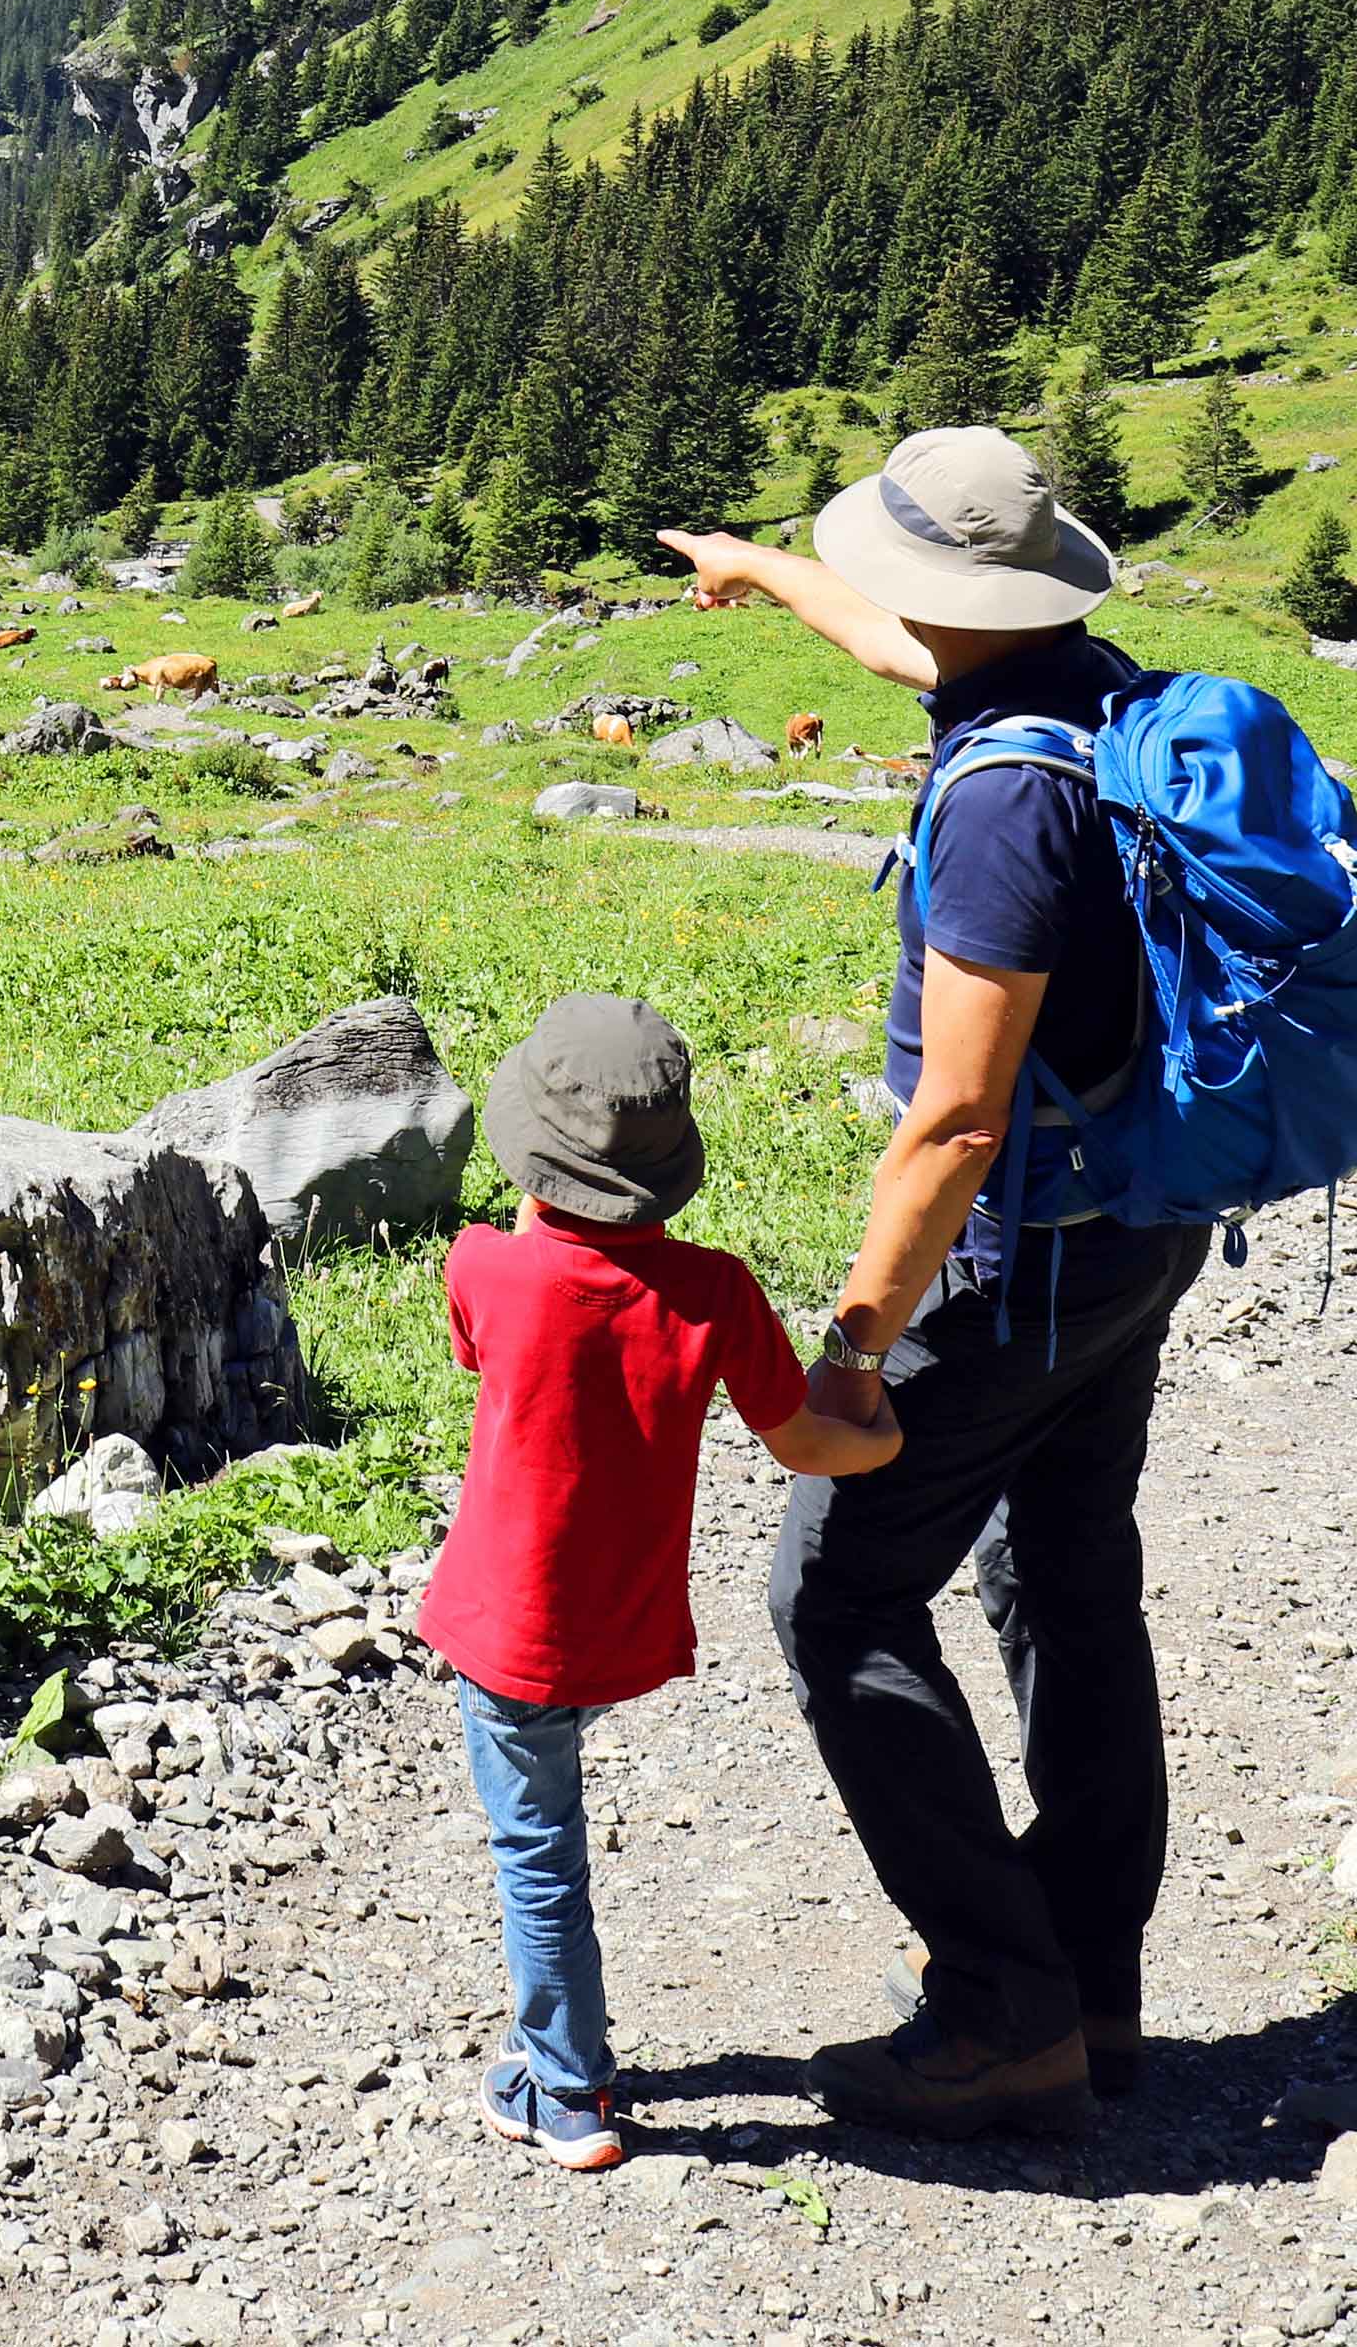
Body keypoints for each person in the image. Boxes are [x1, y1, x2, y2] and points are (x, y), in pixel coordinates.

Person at [658, 421, 1196, 2150]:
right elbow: (902, 636)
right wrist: (760, 571)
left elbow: (956, 1118)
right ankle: (1091, 1985)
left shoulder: (999, 809)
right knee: (1066, 1570)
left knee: (836, 1593)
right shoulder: (1076, 682)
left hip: (1017, 1258)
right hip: (1139, 1219)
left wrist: (854, 1348)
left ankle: (1002, 2010)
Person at [415, 987, 899, 2173]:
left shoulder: (484, 1264)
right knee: (549, 1826)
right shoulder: (716, 1290)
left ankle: (567, 2087)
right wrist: (884, 1436)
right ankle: (557, 2059)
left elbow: (480, 1343)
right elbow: (801, 1440)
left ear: (529, 1151)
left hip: (509, 1625)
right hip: (617, 1622)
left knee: (536, 1848)